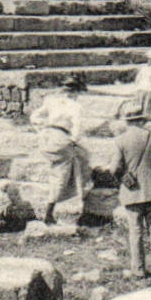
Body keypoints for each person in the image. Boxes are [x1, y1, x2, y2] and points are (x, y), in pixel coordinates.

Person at [112, 98, 151, 278]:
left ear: (127, 121)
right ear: (141, 119)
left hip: (132, 192)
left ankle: (138, 270)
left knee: (135, 231)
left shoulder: (120, 140)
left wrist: (123, 180)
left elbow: (114, 168)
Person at [28, 74, 90, 225]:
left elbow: (34, 117)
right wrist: (73, 140)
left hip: (46, 137)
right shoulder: (75, 106)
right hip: (61, 137)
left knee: (74, 159)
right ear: (75, 92)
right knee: (65, 171)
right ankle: (52, 211)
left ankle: (67, 199)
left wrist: (41, 129)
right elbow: (77, 128)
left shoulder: (51, 101)